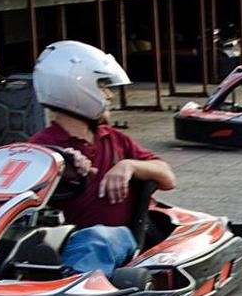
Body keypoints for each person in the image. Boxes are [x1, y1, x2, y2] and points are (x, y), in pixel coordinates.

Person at [29, 40, 177, 277]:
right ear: (74, 89)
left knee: (96, 238)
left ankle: (72, 284)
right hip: (58, 240)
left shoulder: (115, 139)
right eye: (102, 86)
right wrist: (59, 168)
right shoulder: (39, 148)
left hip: (115, 239)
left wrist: (129, 165)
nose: (109, 94)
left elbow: (168, 177)